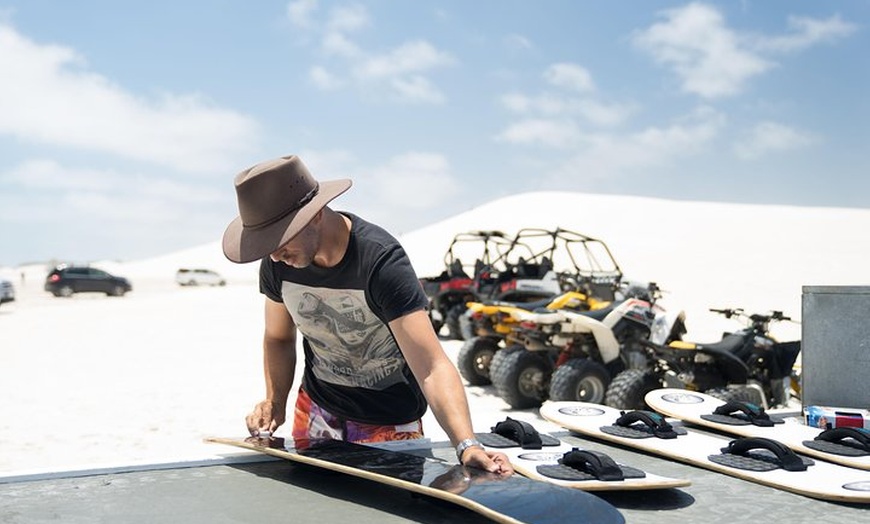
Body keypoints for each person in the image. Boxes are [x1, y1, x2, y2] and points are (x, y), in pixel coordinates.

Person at [222, 155, 513, 475]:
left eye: (280, 238)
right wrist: (275, 401)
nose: (274, 254)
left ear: (315, 214)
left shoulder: (381, 263)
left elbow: (431, 366)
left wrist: (466, 444)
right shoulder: (279, 263)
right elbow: (278, 337)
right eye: (267, 243)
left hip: (387, 422)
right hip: (316, 411)